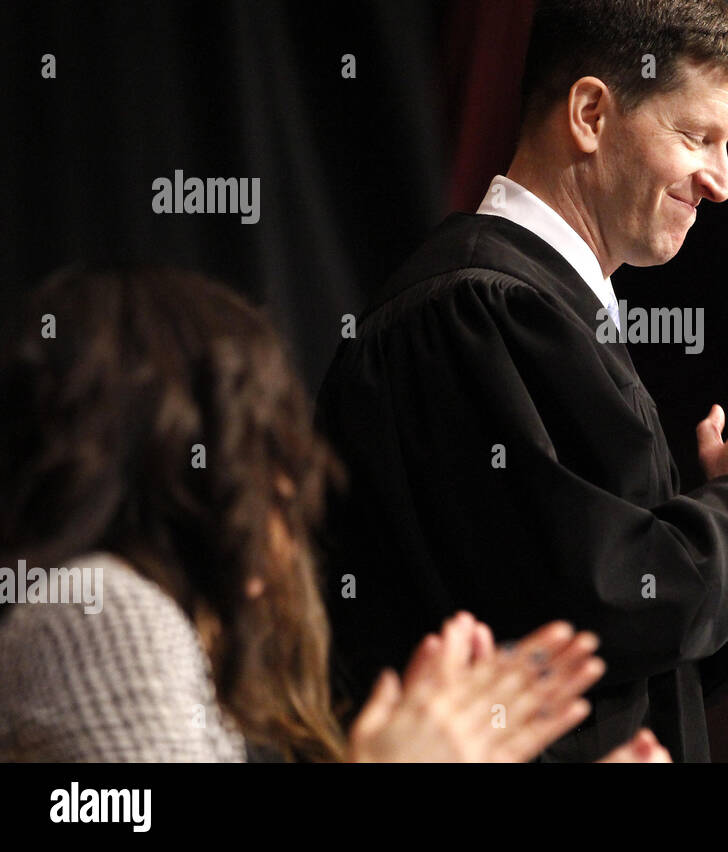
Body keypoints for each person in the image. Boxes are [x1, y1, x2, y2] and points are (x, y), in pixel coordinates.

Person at [315, 0, 728, 763]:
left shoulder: (541, 311)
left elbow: (619, 675)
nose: (719, 183)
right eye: (697, 137)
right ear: (589, 113)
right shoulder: (477, 310)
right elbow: (596, 604)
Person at [0, 264, 669, 763]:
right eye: (262, 441)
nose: (291, 484)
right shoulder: (106, 608)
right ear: (178, 450)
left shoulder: (160, 631)